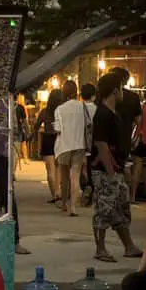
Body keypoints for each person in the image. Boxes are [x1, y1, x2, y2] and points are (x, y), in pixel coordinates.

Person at [90, 73, 142, 262]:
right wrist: (111, 173)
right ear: (114, 91)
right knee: (104, 208)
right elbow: (101, 145)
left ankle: (129, 245)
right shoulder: (103, 114)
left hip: (116, 168)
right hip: (105, 170)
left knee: (121, 207)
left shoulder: (115, 114)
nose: (123, 92)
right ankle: (100, 248)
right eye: (121, 87)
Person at [0, 100, 30, 255]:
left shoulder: (6, 103)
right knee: (1, 198)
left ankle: (12, 240)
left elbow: (10, 130)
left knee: (5, 198)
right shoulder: (0, 103)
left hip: (1, 156)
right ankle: (9, 240)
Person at [53, 80, 88, 216]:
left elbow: (58, 129)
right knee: (75, 175)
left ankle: (63, 204)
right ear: (76, 91)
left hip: (64, 145)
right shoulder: (83, 107)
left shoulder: (59, 109)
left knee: (64, 175)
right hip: (79, 144)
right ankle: (73, 207)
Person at [33, 89, 63, 204]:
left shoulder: (45, 111)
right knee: (58, 167)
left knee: (50, 169)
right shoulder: (62, 111)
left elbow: (36, 126)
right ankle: (58, 191)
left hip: (47, 139)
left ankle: (54, 194)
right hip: (59, 139)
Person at [109, 67, 142, 162]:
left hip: (107, 140)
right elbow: (139, 121)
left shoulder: (104, 95)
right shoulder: (133, 97)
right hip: (125, 140)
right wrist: (135, 138)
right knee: (123, 166)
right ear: (125, 80)